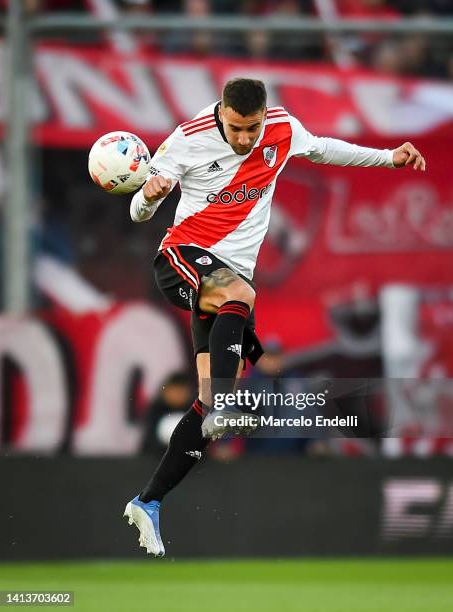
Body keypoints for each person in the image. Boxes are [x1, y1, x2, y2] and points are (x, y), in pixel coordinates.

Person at [123, 77, 426, 556]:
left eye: (253, 128)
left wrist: (388, 157)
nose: (246, 138)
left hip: (228, 283)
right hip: (183, 256)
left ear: (265, 115)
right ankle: (222, 403)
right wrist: (153, 195)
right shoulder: (187, 138)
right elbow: (139, 210)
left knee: (207, 405)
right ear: (221, 112)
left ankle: (149, 501)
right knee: (238, 299)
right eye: (238, 128)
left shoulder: (281, 128)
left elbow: (324, 150)